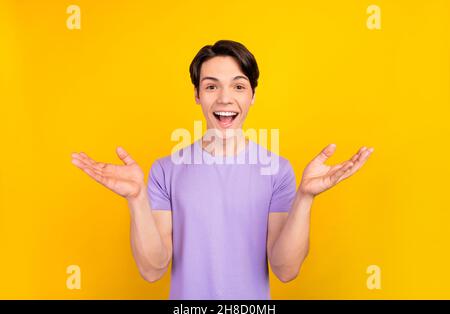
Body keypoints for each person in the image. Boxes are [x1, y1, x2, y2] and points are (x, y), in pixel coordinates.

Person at [71, 40, 374, 300]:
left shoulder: (278, 171)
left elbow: (286, 270)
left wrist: (305, 198)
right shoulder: (165, 170)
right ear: (197, 95)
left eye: (238, 86)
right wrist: (136, 199)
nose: (225, 98)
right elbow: (152, 269)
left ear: (252, 95)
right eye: (211, 86)